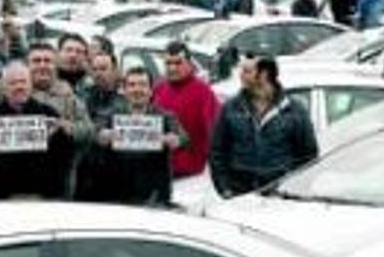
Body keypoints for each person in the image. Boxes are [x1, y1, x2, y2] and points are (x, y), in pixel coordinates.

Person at [210, 56, 318, 198]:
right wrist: (224, 189)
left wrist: (295, 188)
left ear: (264, 74)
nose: (241, 75)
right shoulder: (231, 108)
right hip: (240, 194)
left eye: (247, 71)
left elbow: (309, 155)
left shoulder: (293, 110)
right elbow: (217, 152)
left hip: (281, 195)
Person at [0, 62, 74, 200]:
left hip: (43, 195)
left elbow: (64, 158)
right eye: (13, 83)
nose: (19, 87)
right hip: (1, 196)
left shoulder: (48, 114)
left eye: (23, 82)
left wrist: (59, 134)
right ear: (4, 88)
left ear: (30, 86)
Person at [93, 67, 182, 206]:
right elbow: (95, 131)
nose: (137, 90)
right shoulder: (109, 114)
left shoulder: (165, 116)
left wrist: (174, 139)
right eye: (132, 85)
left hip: (154, 195)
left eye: (142, 84)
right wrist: (101, 135)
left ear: (151, 90)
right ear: (124, 90)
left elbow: (182, 137)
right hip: (115, 193)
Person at [153, 41, 218, 178]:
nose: (172, 68)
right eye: (168, 63)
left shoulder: (204, 93)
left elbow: (217, 133)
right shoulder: (159, 89)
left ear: (189, 63)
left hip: (189, 175)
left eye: (178, 63)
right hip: (157, 167)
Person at [75, 50, 127, 202]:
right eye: (95, 69)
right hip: (85, 173)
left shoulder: (126, 98)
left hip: (116, 173)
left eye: (104, 69)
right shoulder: (83, 95)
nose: (99, 74)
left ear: (115, 70)